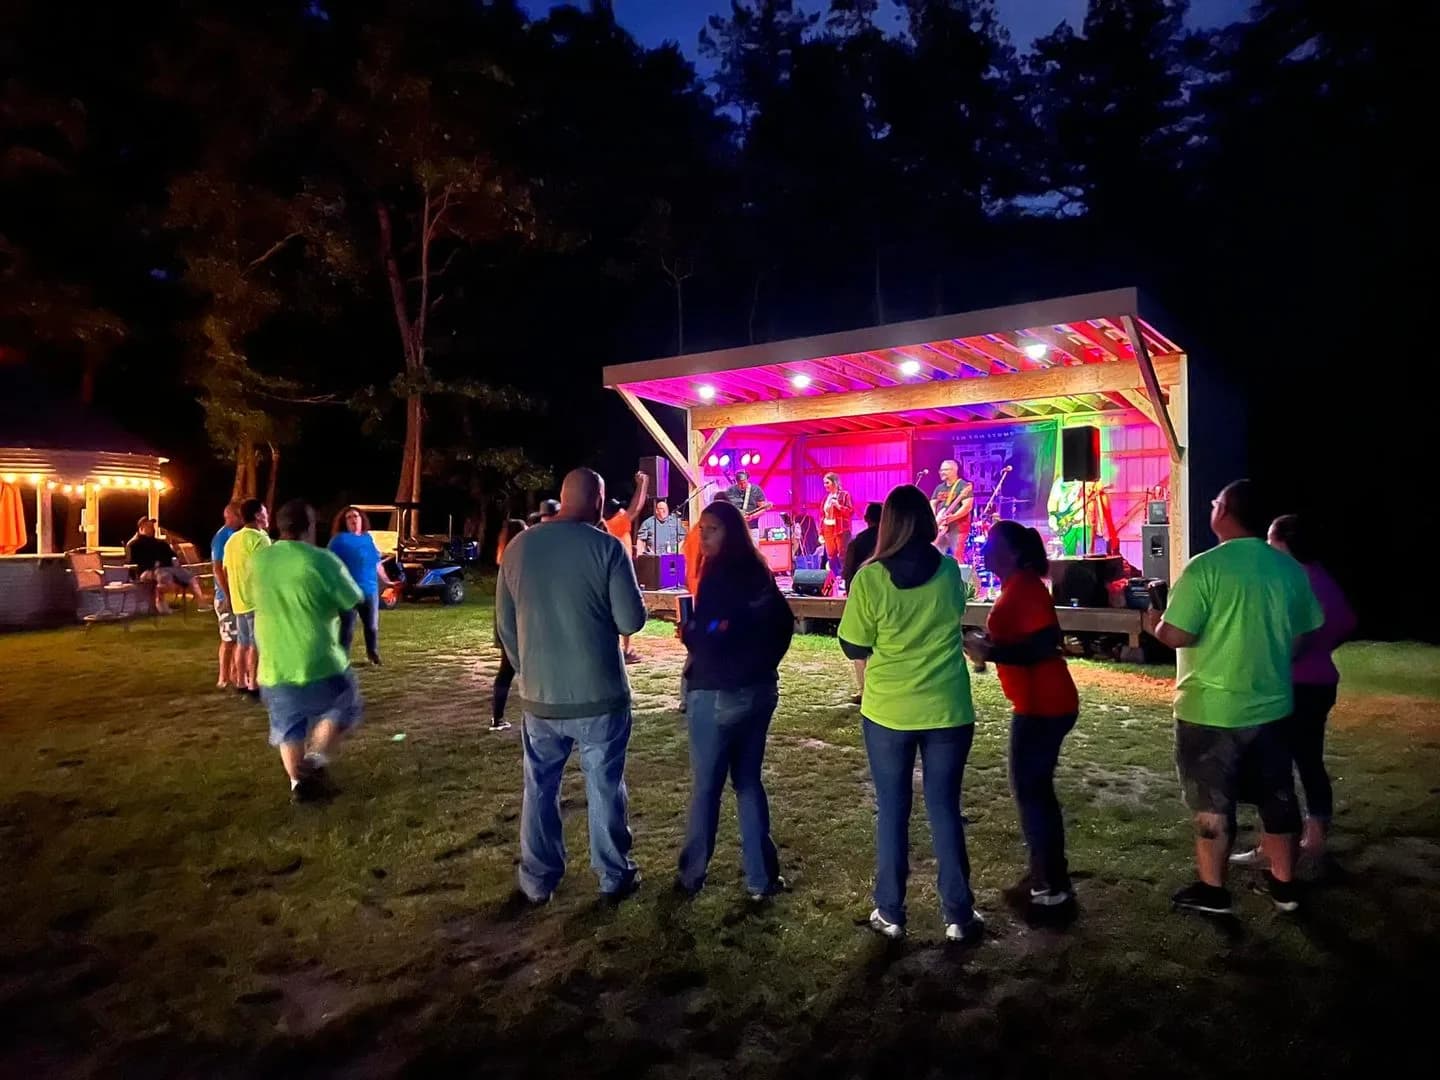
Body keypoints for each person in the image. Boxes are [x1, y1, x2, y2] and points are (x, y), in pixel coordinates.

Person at [1147, 480, 1323, 917]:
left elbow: (1177, 634)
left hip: (1209, 710)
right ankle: (1285, 886)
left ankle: (1213, 892)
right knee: (1277, 795)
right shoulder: (1288, 570)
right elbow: (1303, 634)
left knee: (1211, 803)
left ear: (1225, 511)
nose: (1212, 507)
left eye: (1215, 502)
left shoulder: (1205, 568)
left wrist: (1154, 623)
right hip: (1272, 706)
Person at [838, 484, 984, 944]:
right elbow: (957, 615)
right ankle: (959, 915)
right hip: (947, 708)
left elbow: (853, 643)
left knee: (892, 812)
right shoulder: (948, 572)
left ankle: (891, 911)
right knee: (945, 810)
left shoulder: (870, 579)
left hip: (888, 712)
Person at [496, 467, 647, 905]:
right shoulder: (606, 548)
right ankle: (612, 875)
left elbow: (505, 627)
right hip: (599, 695)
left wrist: (528, 672)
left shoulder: (519, 547)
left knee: (539, 787)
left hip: (540, 698)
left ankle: (537, 879)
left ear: (562, 498)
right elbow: (631, 621)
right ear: (598, 502)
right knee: (604, 787)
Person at [676, 499, 794, 901]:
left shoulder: (717, 576)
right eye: (702, 529)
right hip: (758, 691)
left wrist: (692, 630)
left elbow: (712, 630)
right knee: (746, 783)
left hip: (718, 692)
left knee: (707, 787)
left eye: (712, 528)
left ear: (730, 532)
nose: (704, 535)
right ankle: (760, 879)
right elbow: (782, 625)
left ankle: (692, 875)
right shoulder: (760, 574)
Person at [965, 521, 1080, 910]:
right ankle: (1046, 872)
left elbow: (1046, 644)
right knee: (1034, 791)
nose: (984, 550)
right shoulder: (1017, 586)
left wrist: (991, 651)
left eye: (992, 545)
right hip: (1038, 703)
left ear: (1012, 552)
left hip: (1044, 705)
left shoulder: (1026, 587)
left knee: (1033, 793)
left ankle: (1051, 883)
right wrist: (987, 647)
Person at [1231, 514, 1357, 866]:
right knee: (1309, 761)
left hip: (1292, 686)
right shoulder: (1321, 577)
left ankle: (1274, 846)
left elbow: (1291, 639)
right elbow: (1347, 621)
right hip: (1319, 683)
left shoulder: (1294, 581)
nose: (1268, 547)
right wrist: (1322, 648)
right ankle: (1313, 838)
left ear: (1283, 542)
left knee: (1275, 767)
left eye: (1271, 539)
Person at [250, 500, 365, 803]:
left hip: (273, 663)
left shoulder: (260, 561)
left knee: (289, 726)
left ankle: (298, 786)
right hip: (318, 658)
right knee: (344, 703)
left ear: (278, 526)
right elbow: (351, 599)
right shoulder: (321, 561)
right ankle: (314, 763)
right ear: (309, 527)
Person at [327, 506, 395, 666]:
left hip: (370, 591)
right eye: (349, 517)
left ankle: (373, 654)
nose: (353, 519)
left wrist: (387, 580)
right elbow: (329, 563)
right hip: (348, 591)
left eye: (355, 516)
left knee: (371, 626)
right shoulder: (339, 540)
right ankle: (342, 658)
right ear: (344, 522)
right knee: (347, 628)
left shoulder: (367, 538)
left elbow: (377, 562)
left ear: (361, 519)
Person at [223, 499, 272, 697]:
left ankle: (241, 681)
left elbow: (225, 570)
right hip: (256, 600)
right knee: (256, 644)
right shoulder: (260, 539)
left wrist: (231, 593)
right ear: (258, 515)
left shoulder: (232, 540)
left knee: (242, 643)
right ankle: (254, 684)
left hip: (239, 600)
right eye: (265, 512)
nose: (267, 516)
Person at [603, 471, 650, 664]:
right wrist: (643, 484)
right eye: (619, 509)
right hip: (620, 572)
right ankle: (626, 650)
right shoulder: (616, 523)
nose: (623, 511)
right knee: (623, 608)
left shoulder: (605, 525)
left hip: (608, 571)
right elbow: (636, 507)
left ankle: (621, 648)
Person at [489, 517, 528, 732]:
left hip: (504, 617)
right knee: (518, 668)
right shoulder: (520, 559)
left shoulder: (503, 557)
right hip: (518, 618)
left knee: (506, 669)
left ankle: (497, 717)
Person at [126, 517, 206, 614]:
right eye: (149, 526)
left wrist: (176, 558)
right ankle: (159, 600)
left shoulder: (161, 543)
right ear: (141, 528)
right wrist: (152, 565)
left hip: (169, 568)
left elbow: (173, 555)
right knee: (164, 576)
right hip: (147, 571)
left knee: (190, 578)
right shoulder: (134, 544)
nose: (153, 529)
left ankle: (202, 603)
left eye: (152, 526)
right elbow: (132, 563)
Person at [211, 501, 243, 689]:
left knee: (240, 638)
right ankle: (223, 677)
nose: (240, 518)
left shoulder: (237, 535)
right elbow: (217, 568)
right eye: (237, 515)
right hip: (225, 597)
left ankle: (235, 674)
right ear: (229, 515)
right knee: (228, 639)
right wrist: (227, 595)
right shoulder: (222, 537)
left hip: (238, 595)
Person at [930, 459, 974, 564]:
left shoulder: (963, 486)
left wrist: (952, 517)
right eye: (941, 470)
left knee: (956, 556)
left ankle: (961, 579)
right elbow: (932, 503)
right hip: (940, 527)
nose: (941, 472)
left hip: (958, 528)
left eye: (945, 470)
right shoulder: (939, 487)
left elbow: (967, 507)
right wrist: (935, 518)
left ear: (954, 470)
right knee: (937, 555)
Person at [842, 502, 883, 594]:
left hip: (861, 592)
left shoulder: (856, 542)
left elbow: (847, 572)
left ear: (865, 518)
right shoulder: (892, 541)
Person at [820, 472, 854, 571]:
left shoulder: (844, 495)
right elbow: (822, 516)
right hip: (828, 528)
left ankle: (844, 577)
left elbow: (850, 511)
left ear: (834, 482)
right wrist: (821, 532)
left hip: (841, 529)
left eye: (827, 483)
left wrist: (839, 506)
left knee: (842, 554)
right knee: (831, 555)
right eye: (824, 483)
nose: (825, 485)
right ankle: (833, 578)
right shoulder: (826, 498)